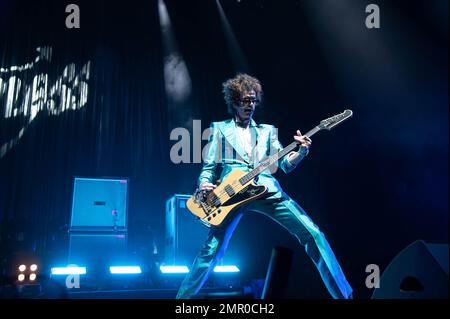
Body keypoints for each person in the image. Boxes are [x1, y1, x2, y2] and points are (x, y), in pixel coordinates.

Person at [176, 73, 353, 299]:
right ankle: (182, 301)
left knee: (313, 234)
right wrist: (203, 185)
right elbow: (209, 167)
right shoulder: (220, 129)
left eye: (253, 100)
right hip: (230, 195)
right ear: (233, 101)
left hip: (266, 191)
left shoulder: (268, 131)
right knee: (212, 251)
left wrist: (301, 151)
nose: (249, 105)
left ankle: (345, 296)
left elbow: (284, 166)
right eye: (244, 100)